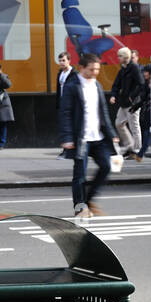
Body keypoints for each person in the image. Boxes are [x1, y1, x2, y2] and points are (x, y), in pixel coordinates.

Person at [59, 52, 120, 220]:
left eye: (97, 69)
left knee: (106, 167)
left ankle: (89, 200)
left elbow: (103, 112)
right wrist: (67, 137)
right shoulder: (72, 87)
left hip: (98, 137)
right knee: (80, 174)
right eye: (92, 69)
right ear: (82, 68)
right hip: (81, 138)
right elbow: (65, 113)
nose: (95, 73)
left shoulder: (97, 86)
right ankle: (80, 207)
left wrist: (111, 133)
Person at [109, 46, 145, 161]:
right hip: (123, 102)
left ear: (125, 57)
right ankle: (130, 145)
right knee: (119, 123)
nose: (118, 58)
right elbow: (116, 84)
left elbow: (141, 84)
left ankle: (137, 150)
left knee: (134, 126)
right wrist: (113, 95)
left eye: (120, 56)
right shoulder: (122, 69)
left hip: (133, 103)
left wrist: (132, 97)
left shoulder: (134, 68)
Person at [55, 50, 74, 157]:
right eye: (60, 61)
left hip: (70, 104)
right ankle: (66, 149)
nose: (61, 63)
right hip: (62, 103)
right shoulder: (60, 74)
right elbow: (58, 89)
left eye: (63, 60)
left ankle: (68, 151)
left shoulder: (73, 74)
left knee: (69, 127)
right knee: (63, 127)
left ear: (69, 61)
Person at [139, 65, 151, 157]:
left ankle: (141, 153)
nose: (144, 74)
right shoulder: (145, 83)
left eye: (146, 72)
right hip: (147, 109)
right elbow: (143, 98)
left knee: (148, 131)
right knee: (147, 131)